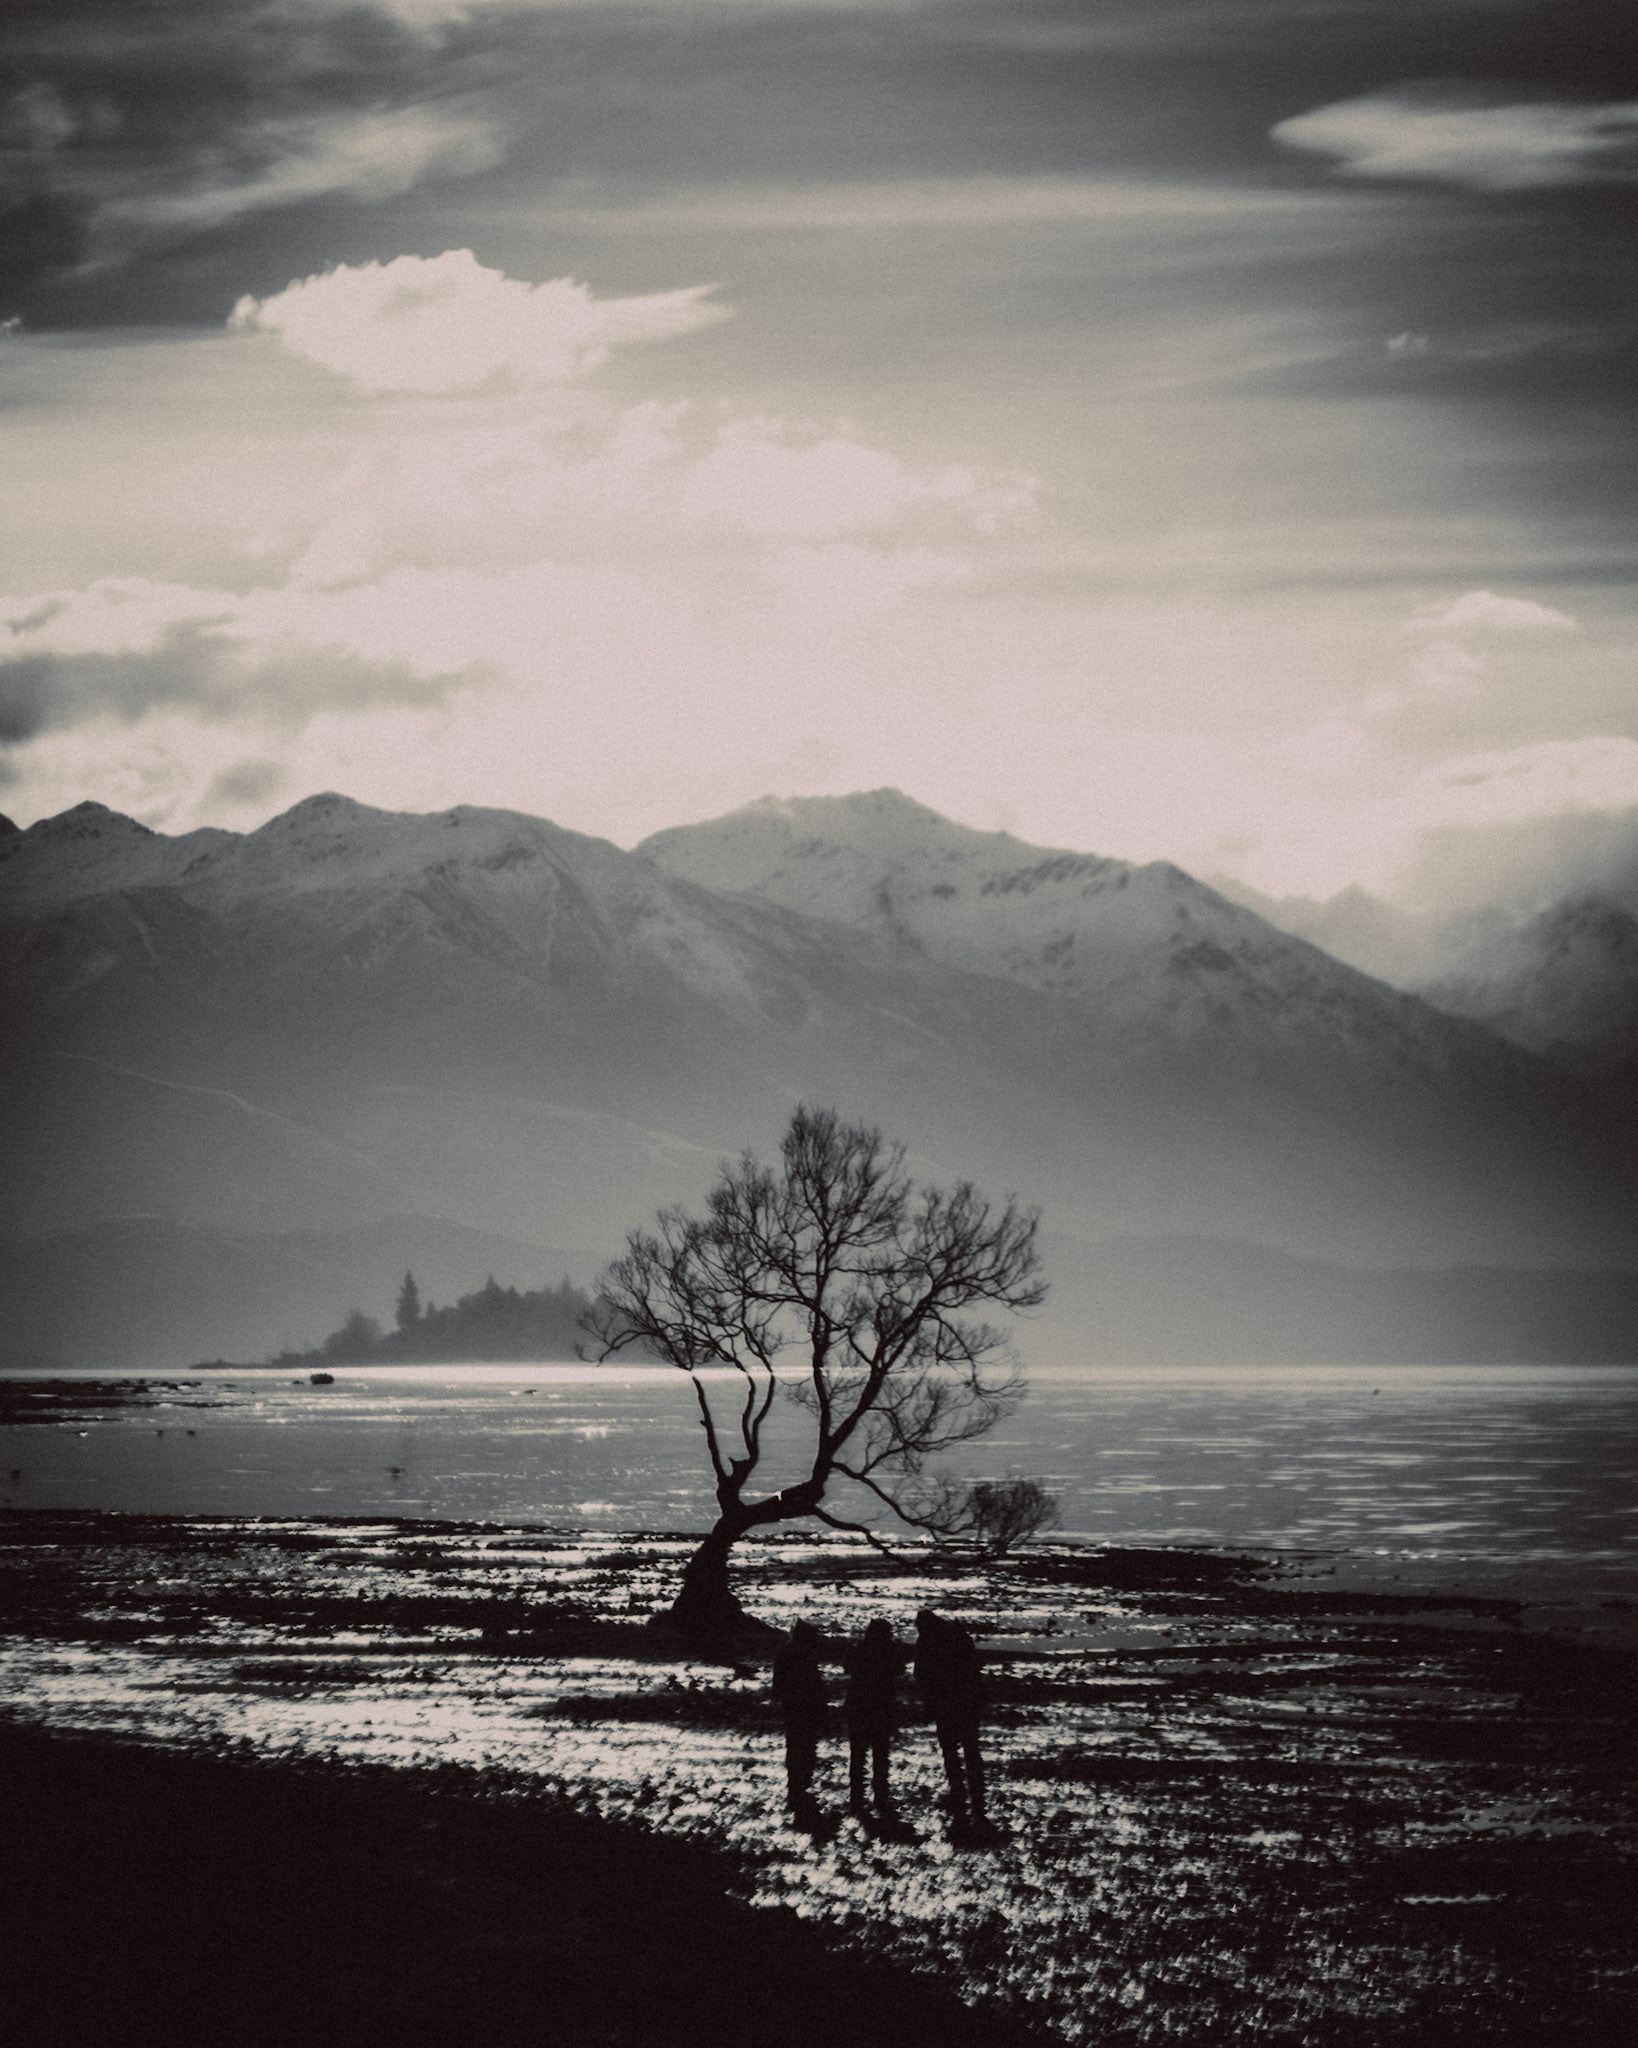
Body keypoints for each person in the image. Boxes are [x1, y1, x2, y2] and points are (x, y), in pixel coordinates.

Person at [914, 1607, 985, 1823]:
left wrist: (928, 1704)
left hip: (946, 1702)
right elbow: (973, 1668)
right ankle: (976, 1794)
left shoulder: (927, 1642)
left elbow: (922, 1675)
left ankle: (959, 1790)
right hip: (967, 1700)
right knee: (970, 1747)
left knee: (950, 1750)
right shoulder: (957, 1636)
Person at [844, 1618, 901, 1820]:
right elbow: (899, 1670)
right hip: (880, 1709)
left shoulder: (860, 1650)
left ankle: (857, 1799)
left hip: (858, 1708)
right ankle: (880, 1797)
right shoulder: (888, 1652)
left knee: (858, 1756)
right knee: (880, 1755)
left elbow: (847, 1667)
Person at [770, 1619, 827, 1810]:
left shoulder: (785, 1653)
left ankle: (795, 1787)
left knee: (794, 1746)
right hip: (807, 1707)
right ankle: (801, 1786)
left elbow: (778, 1685)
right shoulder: (806, 1655)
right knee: (807, 1747)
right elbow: (815, 1684)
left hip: (792, 1707)